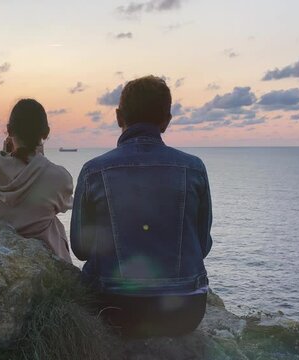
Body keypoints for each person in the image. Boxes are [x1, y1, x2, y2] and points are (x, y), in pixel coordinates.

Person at [70, 76, 212, 337]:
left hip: (115, 309)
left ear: (118, 116)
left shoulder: (94, 171)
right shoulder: (194, 168)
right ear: (166, 120)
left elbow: (80, 248)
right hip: (185, 311)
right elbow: (202, 246)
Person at [0, 99, 74, 263]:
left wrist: (9, 155)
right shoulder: (58, 177)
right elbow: (65, 204)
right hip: (47, 261)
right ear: (46, 133)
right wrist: (39, 159)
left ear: (8, 130)